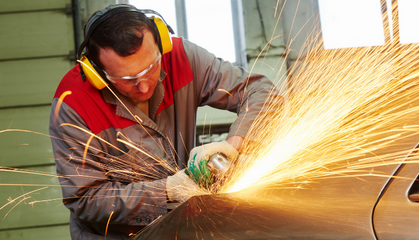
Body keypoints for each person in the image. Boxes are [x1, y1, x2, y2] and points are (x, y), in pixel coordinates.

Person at [49, 4, 282, 240]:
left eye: (151, 68)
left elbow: (260, 92)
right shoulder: (73, 104)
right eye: (127, 79)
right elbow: (87, 200)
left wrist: (232, 146)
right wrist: (167, 191)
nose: (144, 86)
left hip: (183, 228)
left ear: (161, 43)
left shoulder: (180, 57)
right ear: (96, 73)